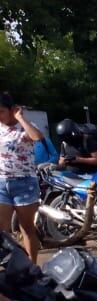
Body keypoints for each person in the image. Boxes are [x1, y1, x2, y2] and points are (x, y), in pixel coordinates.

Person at [0, 93, 44, 264]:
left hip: (25, 184)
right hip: (2, 183)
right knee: (2, 231)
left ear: (12, 110)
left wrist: (21, 118)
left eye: (2, 111)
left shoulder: (25, 127)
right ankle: (9, 268)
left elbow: (37, 137)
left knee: (26, 229)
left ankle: (32, 270)